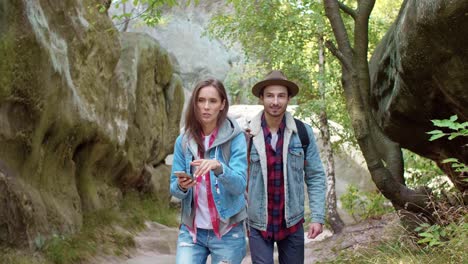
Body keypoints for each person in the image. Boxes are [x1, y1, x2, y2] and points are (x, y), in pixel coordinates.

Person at [246, 70, 326, 264]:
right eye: (270, 96)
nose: (275, 101)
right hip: (259, 223)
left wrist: (317, 217)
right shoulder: (247, 134)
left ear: (289, 98)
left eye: (281, 96)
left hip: (292, 223)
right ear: (261, 98)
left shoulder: (302, 133)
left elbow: (315, 176)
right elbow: (239, 179)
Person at [170, 78, 248, 264]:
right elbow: (174, 190)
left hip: (228, 231)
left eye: (212, 101)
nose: (206, 106)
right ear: (194, 104)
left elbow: (239, 186)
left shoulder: (235, 138)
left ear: (222, 105)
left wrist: (219, 168)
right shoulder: (183, 140)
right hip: (192, 232)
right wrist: (182, 186)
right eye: (201, 100)